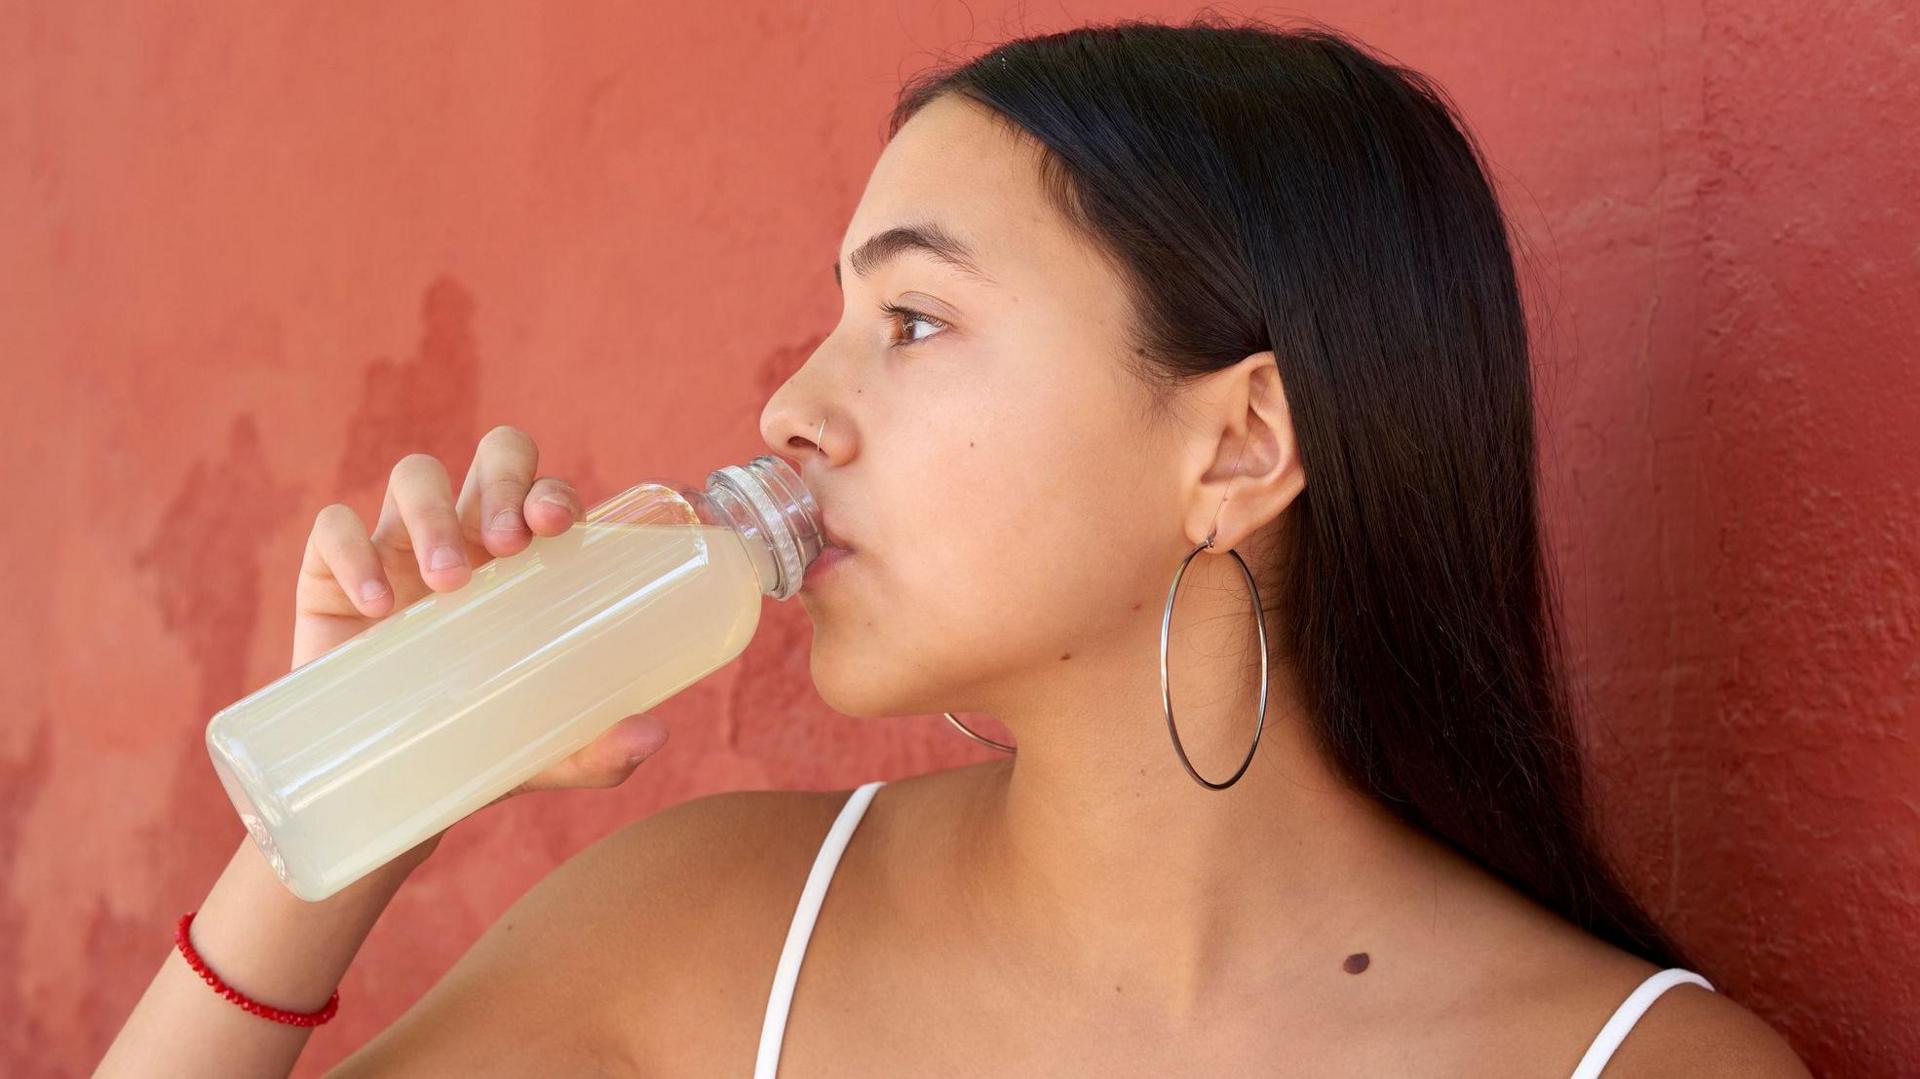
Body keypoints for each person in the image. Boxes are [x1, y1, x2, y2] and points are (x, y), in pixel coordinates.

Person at [97, 17, 1809, 1077]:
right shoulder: (707, 929)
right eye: (837, 319)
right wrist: (344, 822)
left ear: (1238, 444)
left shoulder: (1630, 1065)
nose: (791, 409)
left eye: (914, 320)